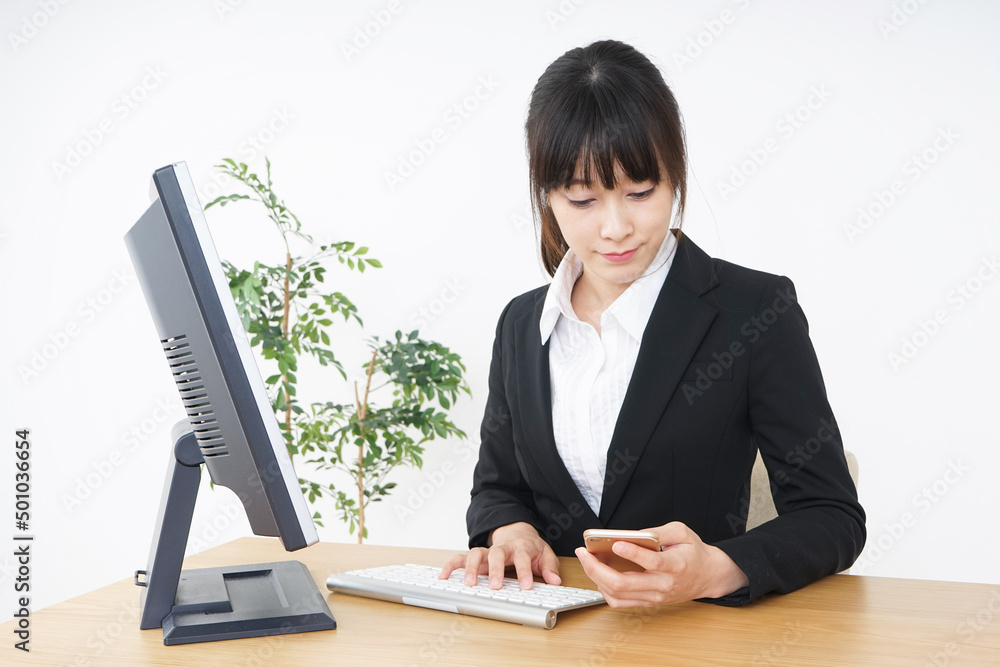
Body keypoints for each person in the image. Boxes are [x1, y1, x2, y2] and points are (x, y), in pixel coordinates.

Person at [440, 39, 865, 607]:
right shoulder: (521, 325)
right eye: (583, 200)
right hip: (551, 639)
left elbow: (831, 515)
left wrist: (719, 569)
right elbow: (498, 488)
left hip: (699, 638)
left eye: (640, 192)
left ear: (676, 178)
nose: (616, 228)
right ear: (549, 198)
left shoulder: (756, 310)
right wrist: (509, 531)